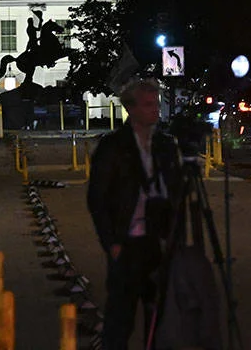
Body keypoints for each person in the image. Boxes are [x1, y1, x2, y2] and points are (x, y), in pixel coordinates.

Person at [86, 77, 182, 350]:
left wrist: (174, 239)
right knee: (120, 319)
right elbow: (97, 199)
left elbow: (177, 195)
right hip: (126, 244)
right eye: (149, 104)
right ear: (132, 109)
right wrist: (111, 244)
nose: (156, 110)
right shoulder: (113, 147)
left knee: (160, 321)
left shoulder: (165, 145)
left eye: (157, 104)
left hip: (158, 242)